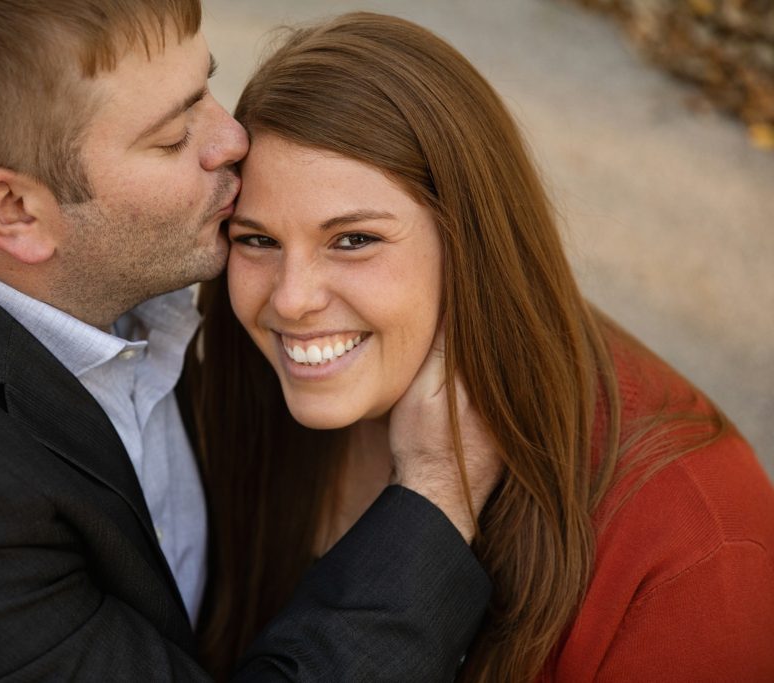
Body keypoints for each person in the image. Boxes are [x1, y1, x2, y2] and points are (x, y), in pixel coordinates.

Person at [0, 2, 503, 680]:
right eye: (174, 136)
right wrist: (435, 489)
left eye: (206, 87)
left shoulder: (123, 289)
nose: (233, 138)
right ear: (14, 209)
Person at [192, 11, 774, 682]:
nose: (290, 300)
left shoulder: (695, 549)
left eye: (354, 240)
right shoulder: (240, 380)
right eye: (257, 239)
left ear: (473, 242)